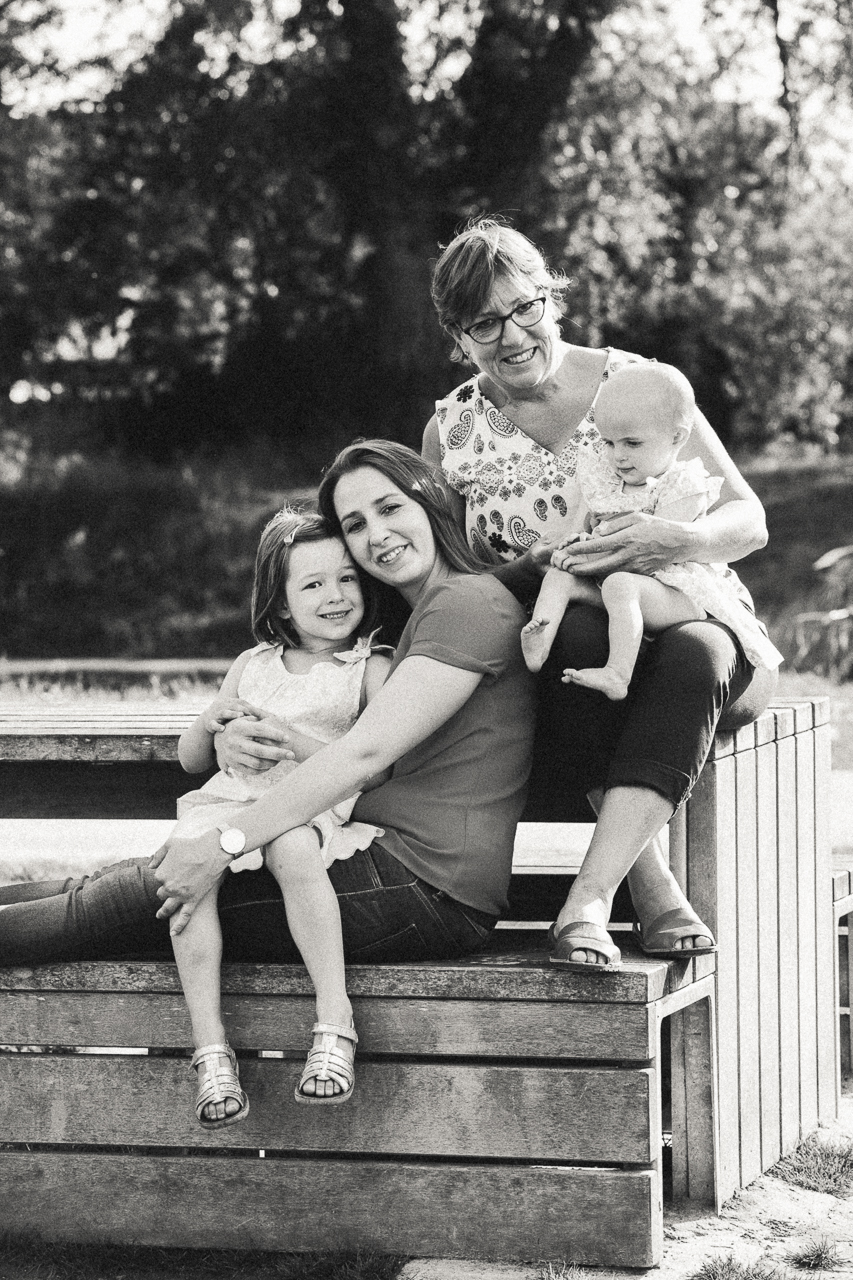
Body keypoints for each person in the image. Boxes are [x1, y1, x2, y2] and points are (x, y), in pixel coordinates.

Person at [0, 444, 536, 1047]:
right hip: (386, 864)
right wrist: (225, 734)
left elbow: (362, 754)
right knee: (111, 888)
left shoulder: (466, 603)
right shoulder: (425, 613)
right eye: (356, 524)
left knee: (120, 904)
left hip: (423, 885)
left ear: (430, 499)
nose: (377, 535)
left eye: (390, 507)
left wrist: (227, 843)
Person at [421, 216, 777, 970]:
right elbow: (451, 582)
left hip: (691, 607)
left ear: (552, 299)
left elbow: (747, 516)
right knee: (572, 647)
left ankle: (594, 894)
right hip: (566, 647)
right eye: (484, 323)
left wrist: (679, 540)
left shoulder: (636, 380)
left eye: (525, 308)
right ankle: (642, 889)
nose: (513, 334)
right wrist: (534, 578)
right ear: (457, 338)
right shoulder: (450, 432)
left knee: (696, 654)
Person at [168, 507, 391, 1126]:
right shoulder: (253, 663)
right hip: (230, 804)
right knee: (189, 885)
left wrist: (290, 738)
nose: (335, 595)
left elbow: (373, 768)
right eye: (313, 585)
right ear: (283, 602)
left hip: (306, 806)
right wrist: (212, 729)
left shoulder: (369, 668)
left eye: (347, 579)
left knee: (292, 847)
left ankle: (334, 1018)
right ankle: (210, 1046)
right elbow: (191, 760)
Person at [521, 362, 783, 697]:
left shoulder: (683, 484)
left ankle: (618, 674)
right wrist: (573, 545)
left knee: (620, 586)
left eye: (631, 443)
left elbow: (658, 551)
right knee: (558, 577)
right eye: (609, 442)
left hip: (675, 591)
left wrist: (598, 545)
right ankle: (538, 644)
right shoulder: (603, 477)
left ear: (677, 438)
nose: (618, 456)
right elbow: (578, 528)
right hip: (614, 579)